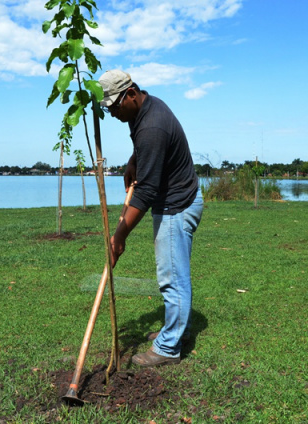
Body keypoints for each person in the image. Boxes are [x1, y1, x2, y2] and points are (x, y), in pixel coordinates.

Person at [98, 69, 203, 367]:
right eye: (108, 109)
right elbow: (145, 150)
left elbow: (145, 193)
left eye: (115, 106)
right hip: (178, 198)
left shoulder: (152, 127)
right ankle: (174, 331)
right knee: (173, 274)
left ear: (131, 93)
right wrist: (135, 160)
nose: (114, 113)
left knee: (173, 278)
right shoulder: (145, 109)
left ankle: (169, 348)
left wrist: (119, 236)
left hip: (177, 205)